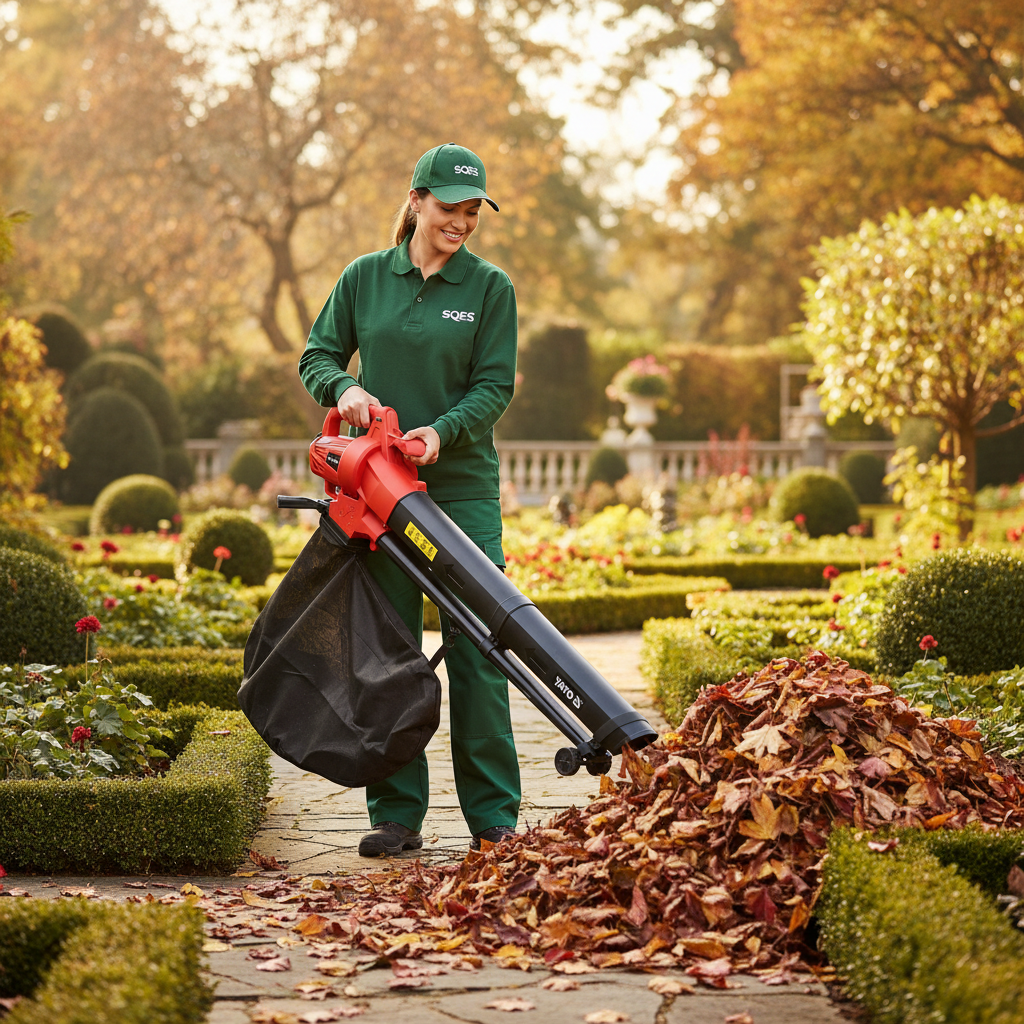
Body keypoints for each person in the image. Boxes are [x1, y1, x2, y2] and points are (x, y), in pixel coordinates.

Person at [298, 143, 521, 857]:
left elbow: (494, 387)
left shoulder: (490, 288)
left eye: (471, 211)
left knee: (480, 646)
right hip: (378, 490)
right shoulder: (366, 278)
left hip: (459, 488)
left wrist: (441, 433)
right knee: (390, 646)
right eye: (449, 207)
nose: (461, 222)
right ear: (417, 199)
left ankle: (495, 819)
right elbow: (317, 356)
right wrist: (346, 389)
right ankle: (396, 814)